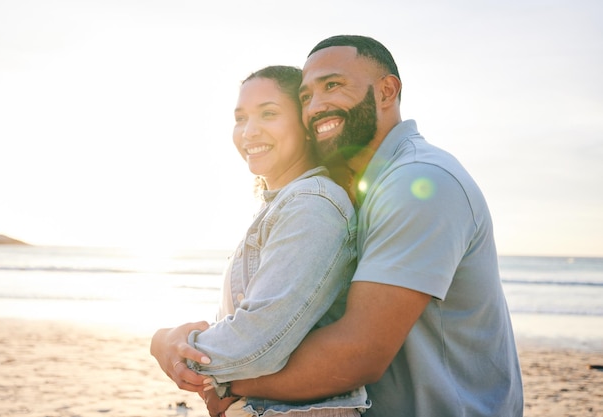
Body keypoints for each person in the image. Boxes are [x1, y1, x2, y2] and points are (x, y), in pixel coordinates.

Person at [153, 36, 524, 417]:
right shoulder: (361, 187)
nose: (316, 106)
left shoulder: (419, 183)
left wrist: (218, 376)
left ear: (386, 91)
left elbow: (357, 353)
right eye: (306, 96)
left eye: (333, 85)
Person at [151, 65, 369, 417]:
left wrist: (166, 344)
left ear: (305, 124)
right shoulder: (284, 204)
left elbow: (257, 342)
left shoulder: (313, 204)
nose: (249, 131)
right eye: (240, 118)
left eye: (268, 113)